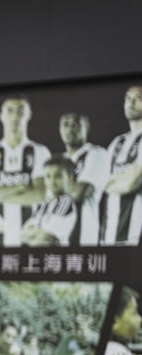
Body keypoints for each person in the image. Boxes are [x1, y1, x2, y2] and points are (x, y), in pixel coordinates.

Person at [0, 94, 51, 246]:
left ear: (29, 115)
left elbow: (40, 194)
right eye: (9, 111)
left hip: (30, 240)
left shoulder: (40, 151)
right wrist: (21, 188)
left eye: (20, 111)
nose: (15, 116)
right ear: (1, 116)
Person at [99, 85, 142, 246]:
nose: (131, 103)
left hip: (135, 235)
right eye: (128, 98)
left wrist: (112, 181)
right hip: (108, 234)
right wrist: (123, 178)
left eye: (138, 98)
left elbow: (131, 184)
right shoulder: (117, 142)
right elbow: (100, 181)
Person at [58, 112, 107, 245]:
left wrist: (52, 188)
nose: (70, 129)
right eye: (66, 124)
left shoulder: (97, 154)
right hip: (55, 239)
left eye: (76, 124)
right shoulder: (57, 160)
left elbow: (79, 193)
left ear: (87, 127)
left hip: (83, 240)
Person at [20, 156, 79, 246]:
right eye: (48, 176)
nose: (52, 181)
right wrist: (37, 232)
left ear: (70, 178)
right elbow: (22, 235)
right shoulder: (44, 204)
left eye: (58, 176)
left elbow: (45, 238)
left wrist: (35, 231)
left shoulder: (64, 202)